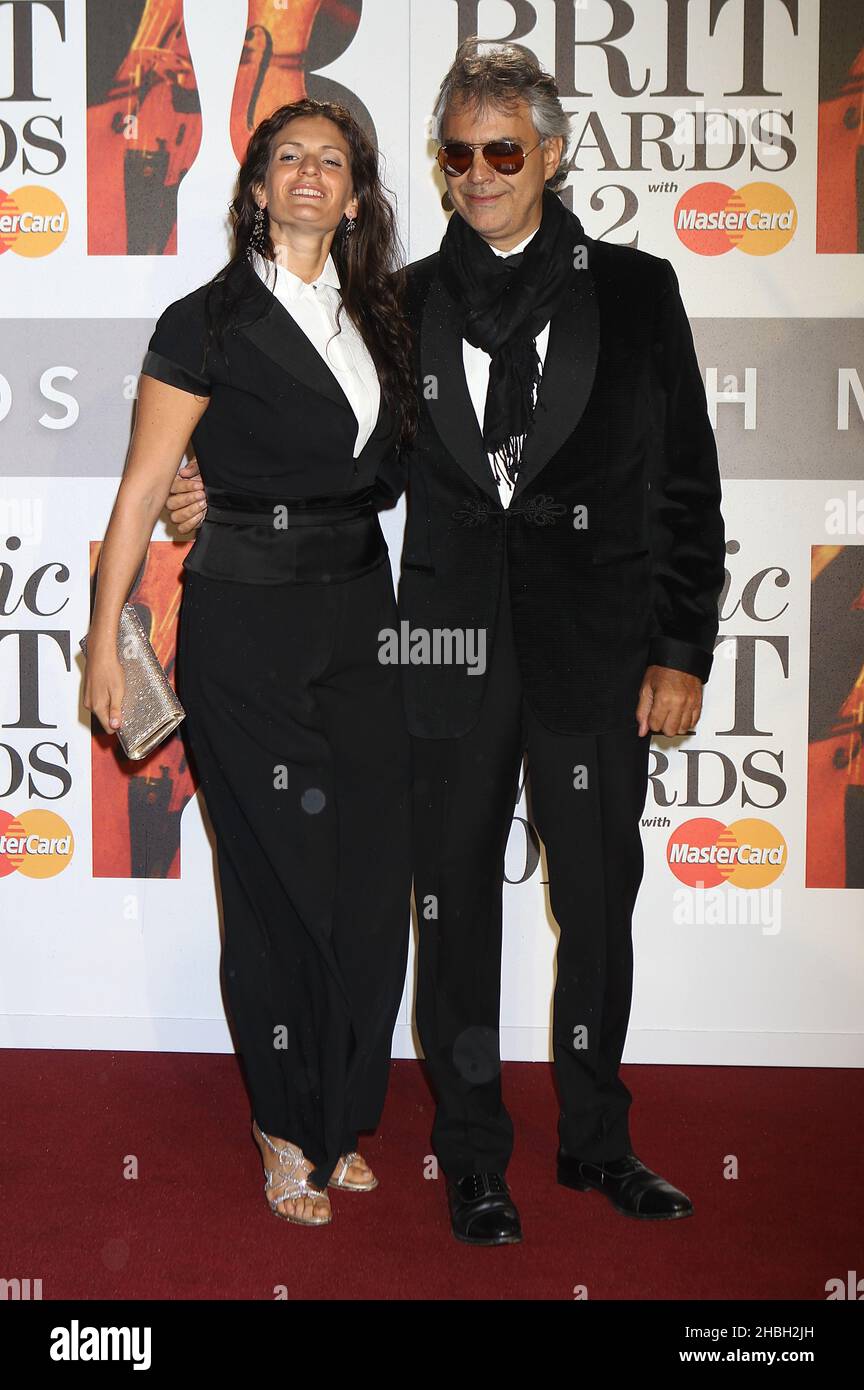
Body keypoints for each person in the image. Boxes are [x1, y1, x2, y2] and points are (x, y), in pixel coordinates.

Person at [168, 40, 726, 1247]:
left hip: (595, 650)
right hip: (439, 655)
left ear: (553, 154)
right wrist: (210, 485)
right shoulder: (401, 303)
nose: (479, 174)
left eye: (503, 151)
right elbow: (330, 444)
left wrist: (682, 647)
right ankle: (472, 1152)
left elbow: (688, 486)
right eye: (459, 153)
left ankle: (598, 1141)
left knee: (597, 902)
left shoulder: (636, 292)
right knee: (453, 909)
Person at [83, 98, 417, 1228]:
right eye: (290, 159)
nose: (312, 175)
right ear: (258, 187)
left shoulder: (387, 318)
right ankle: (284, 1124)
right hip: (245, 628)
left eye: (334, 161)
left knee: (371, 885)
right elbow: (142, 487)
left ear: (359, 193)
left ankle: (339, 1111)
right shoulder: (207, 322)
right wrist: (101, 635)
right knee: (275, 888)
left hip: (365, 623)